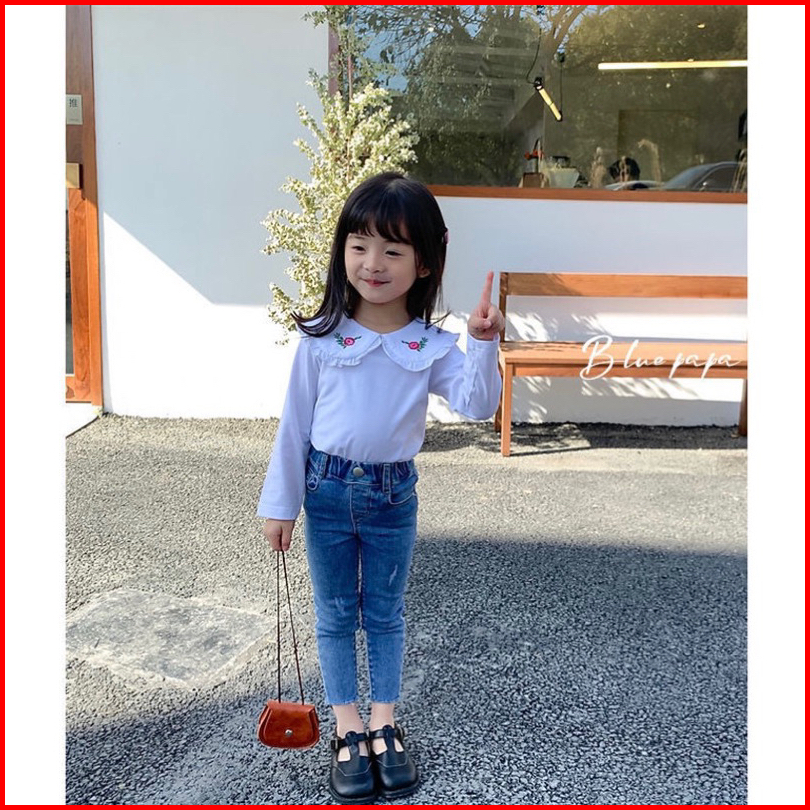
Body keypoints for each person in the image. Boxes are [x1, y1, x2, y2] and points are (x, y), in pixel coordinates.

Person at [257, 171, 504, 804]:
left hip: (393, 496)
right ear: (342, 250)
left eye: (393, 250)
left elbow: (478, 404)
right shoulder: (323, 338)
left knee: (385, 613)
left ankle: (385, 724)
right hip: (327, 491)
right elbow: (295, 424)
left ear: (424, 263)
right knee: (337, 613)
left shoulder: (429, 345)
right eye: (360, 245)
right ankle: (347, 728)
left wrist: (482, 343)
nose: (373, 263)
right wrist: (280, 504)